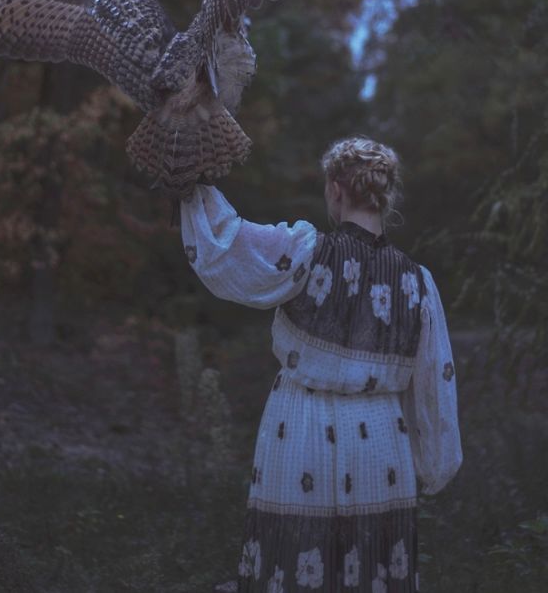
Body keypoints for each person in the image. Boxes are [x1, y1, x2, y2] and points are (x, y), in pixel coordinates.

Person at [180, 136, 462, 592]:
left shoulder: (306, 252)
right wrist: (433, 465)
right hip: (382, 445)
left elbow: (229, 244)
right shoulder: (418, 283)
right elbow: (434, 385)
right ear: (386, 195)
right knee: (371, 572)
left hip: (301, 429)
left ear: (335, 189)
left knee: (295, 566)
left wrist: (193, 184)